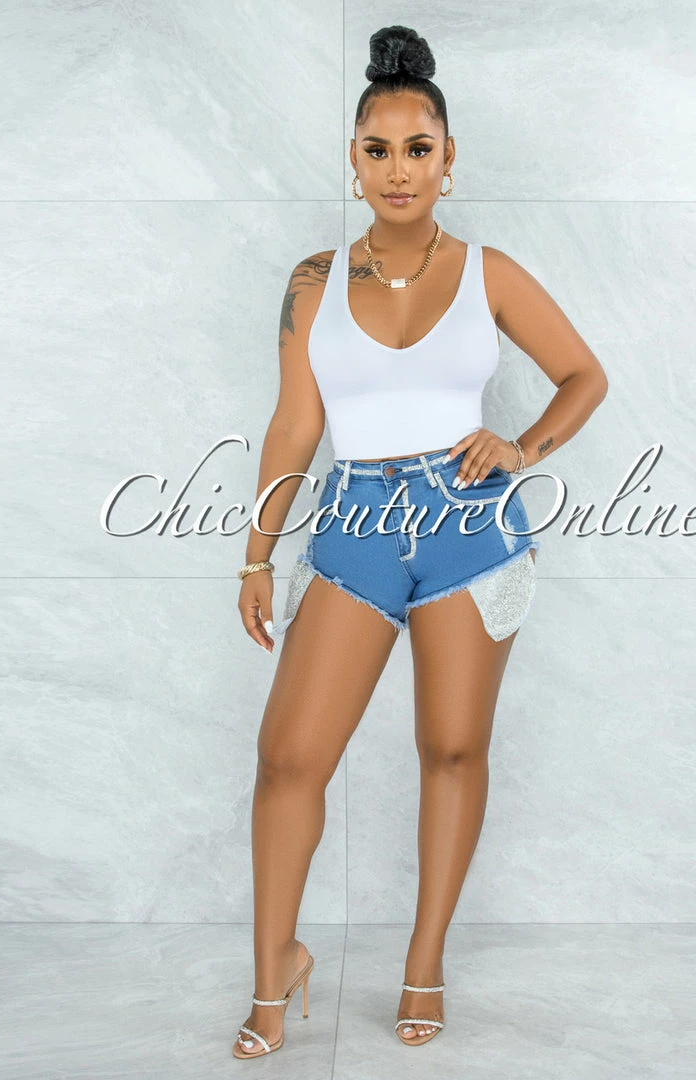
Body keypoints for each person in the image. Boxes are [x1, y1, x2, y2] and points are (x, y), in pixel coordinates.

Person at [232, 24, 608, 1058]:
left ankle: (424, 961)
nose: (398, 168)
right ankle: (274, 973)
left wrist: (522, 446)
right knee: (288, 760)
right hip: (353, 527)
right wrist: (258, 553)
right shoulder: (313, 281)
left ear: (448, 160)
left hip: (471, 528)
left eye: (417, 148)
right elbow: (294, 428)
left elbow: (585, 376)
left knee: (451, 748)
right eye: (378, 149)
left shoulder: (490, 272)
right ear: (353, 163)